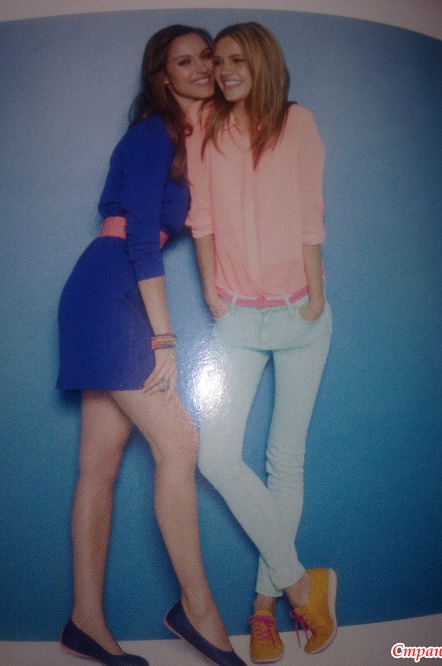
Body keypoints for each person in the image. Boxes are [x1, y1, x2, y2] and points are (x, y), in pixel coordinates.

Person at [57, 25, 246, 666]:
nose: (200, 69)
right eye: (183, 62)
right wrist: (165, 338)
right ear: (163, 78)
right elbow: (141, 238)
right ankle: (198, 610)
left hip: (116, 291)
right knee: (180, 444)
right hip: (109, 291)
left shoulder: (194, 143)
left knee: (100, 467)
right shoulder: (151, 136)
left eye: (206, 58)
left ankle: (85, 623)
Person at [186, 22, 337, 665]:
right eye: (217, 61)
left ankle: (263, 608)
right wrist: (212, 293)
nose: (223, 71)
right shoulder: (205, 126)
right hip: (239, 319)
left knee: (284, 460)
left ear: (263, 62)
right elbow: (202, 220)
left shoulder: (297, 123)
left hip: (300, 314)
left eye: (236, 60)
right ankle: (304, 585)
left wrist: (315, 295)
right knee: (216, 457)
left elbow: (310, 215)